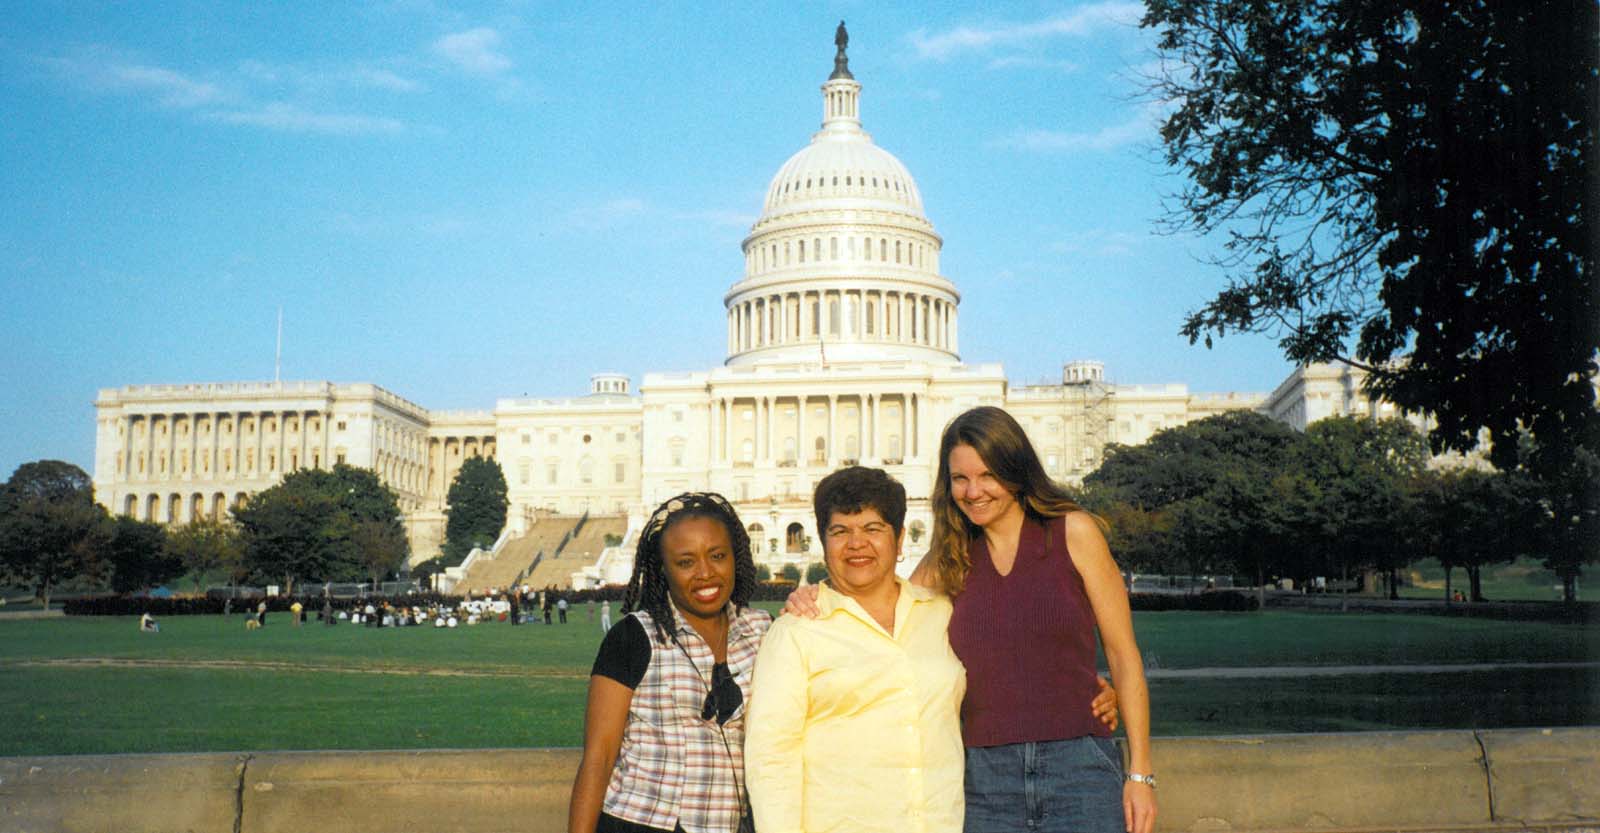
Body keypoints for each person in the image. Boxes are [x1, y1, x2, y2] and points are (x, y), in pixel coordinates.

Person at [935, 406, 1155, 833]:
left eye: (988, 475)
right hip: (983, 779)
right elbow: (881, 604)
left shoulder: (1073, 532)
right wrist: (814, 597)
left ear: (1016, 471)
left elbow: (1124, 655)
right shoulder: (948, 559)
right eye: (960, 479)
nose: (973, 491)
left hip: (1080, 770)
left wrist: (1141, 775)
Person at [745, 466, 966, 832]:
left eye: (872, 529)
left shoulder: (942, 614)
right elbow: (771, 761)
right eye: (840, 531)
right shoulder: (796, 632)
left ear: (898, 541)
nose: (856, 544)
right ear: (824, 542)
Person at [568, 492, 770, 833]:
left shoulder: (764, 631)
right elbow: (599, 758)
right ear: (663, 569)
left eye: (717, 556)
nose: (705, 573)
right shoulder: (634, 637)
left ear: (736, 557)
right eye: (686, 562)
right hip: (641, 820)